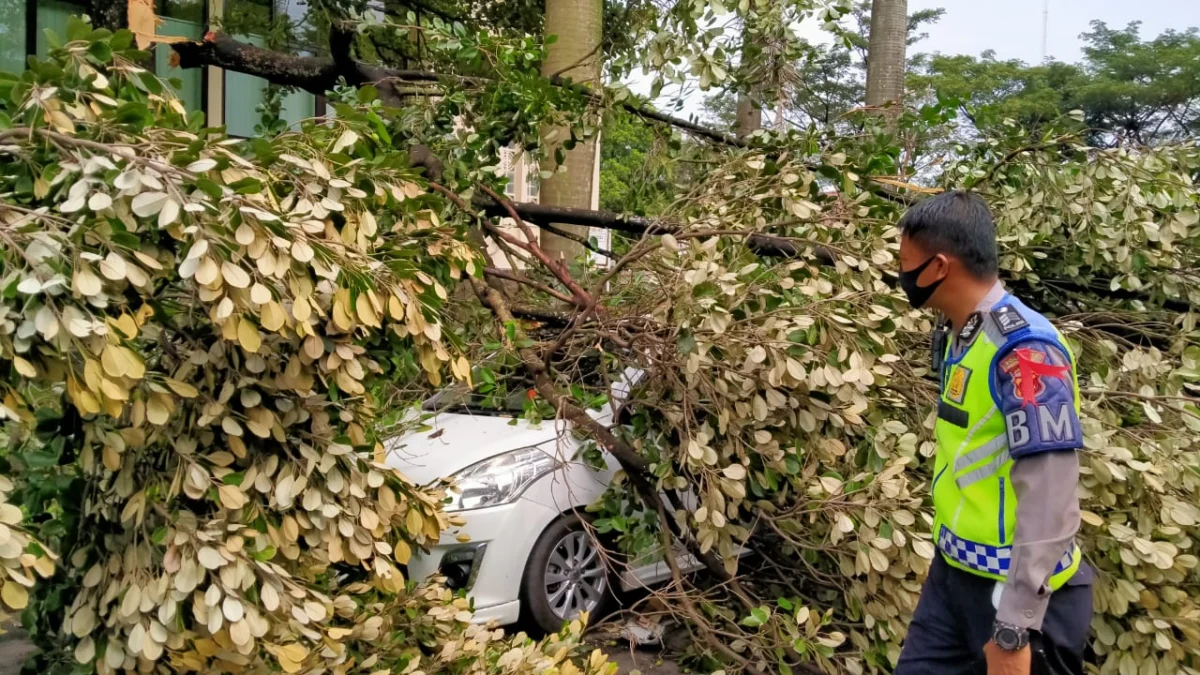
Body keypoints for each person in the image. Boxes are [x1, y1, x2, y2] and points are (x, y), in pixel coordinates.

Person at [891, 191, 1093, 675]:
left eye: (904, 262)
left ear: (939, 266)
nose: (899, 273)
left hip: (1015, 599)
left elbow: (1050, 490)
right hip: (955, 578)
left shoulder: (1025, 350)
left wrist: (1014, 624)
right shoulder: (964, 334)